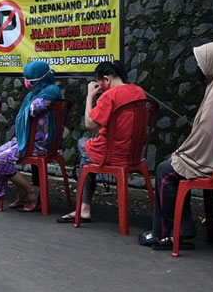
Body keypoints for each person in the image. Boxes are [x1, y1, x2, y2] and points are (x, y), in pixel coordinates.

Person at [138, 41, 213, 251]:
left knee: (166, 171)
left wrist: (182, 154)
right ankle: (183, 227)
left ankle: (165, 232)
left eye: (202, 63)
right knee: (175, 167)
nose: (199, 68)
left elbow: (203, 136)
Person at [58, 61, 147, 223]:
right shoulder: (139, 92)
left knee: (82, 144)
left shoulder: (109, 96)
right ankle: (84, 203)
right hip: (133, 154)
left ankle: (84, 207)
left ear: (106, 80)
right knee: (87, 151)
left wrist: (90, 96)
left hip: (111, 154)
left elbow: (90, 123)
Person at [0, 60, 62, 211]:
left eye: (30, 79)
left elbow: (35, 108)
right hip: (28, 139)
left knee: (1, 160)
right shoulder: (36, 92)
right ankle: (22, 189)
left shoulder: (51, 91)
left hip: (39, 144)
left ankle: (31, 191)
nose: (27, 82)